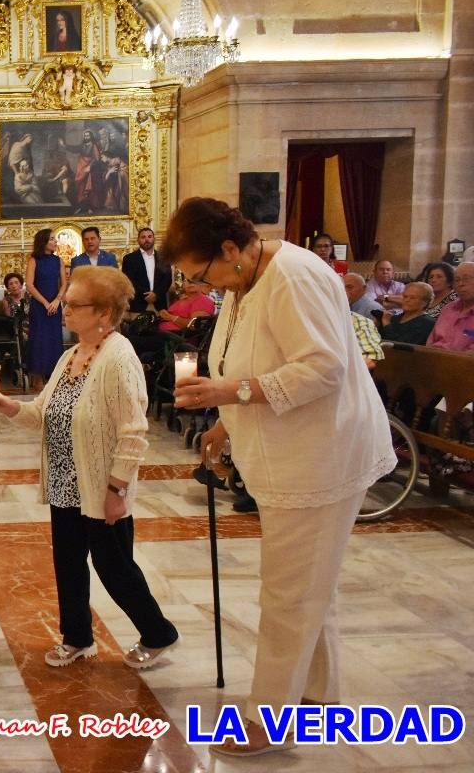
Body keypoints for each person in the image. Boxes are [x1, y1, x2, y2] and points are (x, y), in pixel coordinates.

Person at [165, 197, 395, 758]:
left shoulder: (293, 276)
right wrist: (225, 420)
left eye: (203, 273)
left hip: (322, 454)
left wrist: (228, 393)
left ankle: (273, 720)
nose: (205, 285)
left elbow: (324, 367)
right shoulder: (247, 282)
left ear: (229, 248)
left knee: (289, 593)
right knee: (311, 586)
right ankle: (321, 704)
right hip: (289, 453)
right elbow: (248, 359)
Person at [0, 266, 179, 670]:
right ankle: (76, 637)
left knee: (114, 567)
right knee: (68, 563)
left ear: (104, 313)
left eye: (75, 305)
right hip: (63, 484)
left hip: (100, 486)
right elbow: (42, 413)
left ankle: (159, 632)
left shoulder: (119, 358)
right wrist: (8, 407)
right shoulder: (70, 355)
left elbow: (133, 432)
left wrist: (117, 490)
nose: (66, 311)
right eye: (67, 303)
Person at [26, 228, 67, 387]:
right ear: (43, 241)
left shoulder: (58, 261)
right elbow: (29, 284)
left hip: (55, 306)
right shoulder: (34, 260)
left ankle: (54, 375)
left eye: (55, 239)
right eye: (52, 239)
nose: (55, 242)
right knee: (39, 339)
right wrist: (45, 302)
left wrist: (57, 300)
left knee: (54, 339)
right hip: (40, 306)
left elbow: (64, 283)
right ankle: (37, 376)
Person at [121, 227, 172, 313]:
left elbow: (167, 279)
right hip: (138, 305)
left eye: (149, 236)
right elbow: (128, 280)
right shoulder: (129, 259)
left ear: (154, 239)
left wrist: (156, 294)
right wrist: (146, 295)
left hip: (159, 305)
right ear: (138, 240)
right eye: (143, 237)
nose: (146, 239)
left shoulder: (163, 257)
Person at [426, 261, 474, 351]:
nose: (460, 284)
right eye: (457, 280)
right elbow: (431, 340)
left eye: (466, 279)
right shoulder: (448, 308)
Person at [379, 281, 436, 345]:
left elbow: (400, 347)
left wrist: (387, 324)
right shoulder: (394, 318)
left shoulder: (428, 323)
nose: (407, 300)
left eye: (412, 298)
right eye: (405, 296)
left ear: (424, 302)